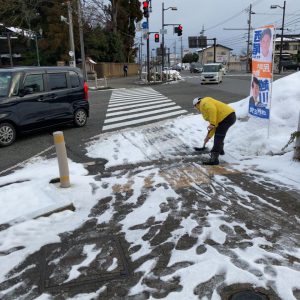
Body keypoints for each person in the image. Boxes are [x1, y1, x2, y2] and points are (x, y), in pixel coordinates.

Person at [193, 96, 236, 165]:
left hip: (226, 117)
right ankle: (220, 150)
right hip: (228, 117)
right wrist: (208, 137)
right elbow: (214, 125)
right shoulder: (206, 104)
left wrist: (212, 123)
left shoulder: (204, 103)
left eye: (195, 107)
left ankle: (214, 159)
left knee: (218, 136)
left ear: (196, 104)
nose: (197, 109)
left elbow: (212, 109)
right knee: (220, 135)